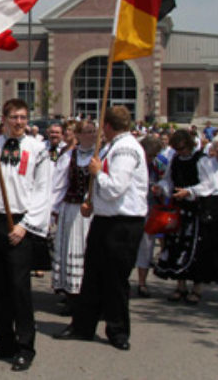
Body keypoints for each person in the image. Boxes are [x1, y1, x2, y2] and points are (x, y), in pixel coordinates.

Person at [54, 106, 147, 351]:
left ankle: (118, 330)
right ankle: (83, 326)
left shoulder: (126, 149)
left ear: (107, 125)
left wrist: (97, 173)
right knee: (92, 276)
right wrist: (90, 200)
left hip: (123, 223)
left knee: (115, 279)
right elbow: (100, 185)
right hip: (104, 219)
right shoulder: (112, 147)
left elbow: (115, 187)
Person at [0, 99, 52, 372]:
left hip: (19, 223)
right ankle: (4, 340)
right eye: (14, 117)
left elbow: (43, 191)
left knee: (19, 289)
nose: (19, 122)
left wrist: (25, 225)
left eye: (23, 117)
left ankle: (25, 346)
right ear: (3, 119)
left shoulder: (38, 149)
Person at [153, 129, 206, 302]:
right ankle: (180, 285)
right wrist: (161, 187)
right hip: (178, 207)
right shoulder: (175, 160)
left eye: (182, 148)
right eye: (177, 149)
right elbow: (168, 180)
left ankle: (196, 288)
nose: (180, 152)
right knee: (176, 244)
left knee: (194, 248)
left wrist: (190, 192)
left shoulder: (201, 160)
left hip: (195, 209)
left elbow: (208, 184)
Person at [51, 120, 97, 314]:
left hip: (93, 212)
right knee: (71, 248)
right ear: (78, 135)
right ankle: (72, 297)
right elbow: (58, 184)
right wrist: (53, 210)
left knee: (91, 253)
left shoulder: (100, 155)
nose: (91, 135)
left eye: (93, 131)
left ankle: (92, 297)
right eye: (86, 132)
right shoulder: (69, 156)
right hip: (72, 210)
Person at [135, 136, 165, 298]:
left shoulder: (158, 166)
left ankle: (142, 282)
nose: (151, 159)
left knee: (146, 248)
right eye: (149, 155)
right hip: (132, 211)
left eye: (153, 156)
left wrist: (160, 188)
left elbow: (165, 182)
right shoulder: (134, 163)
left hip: (150, 210)